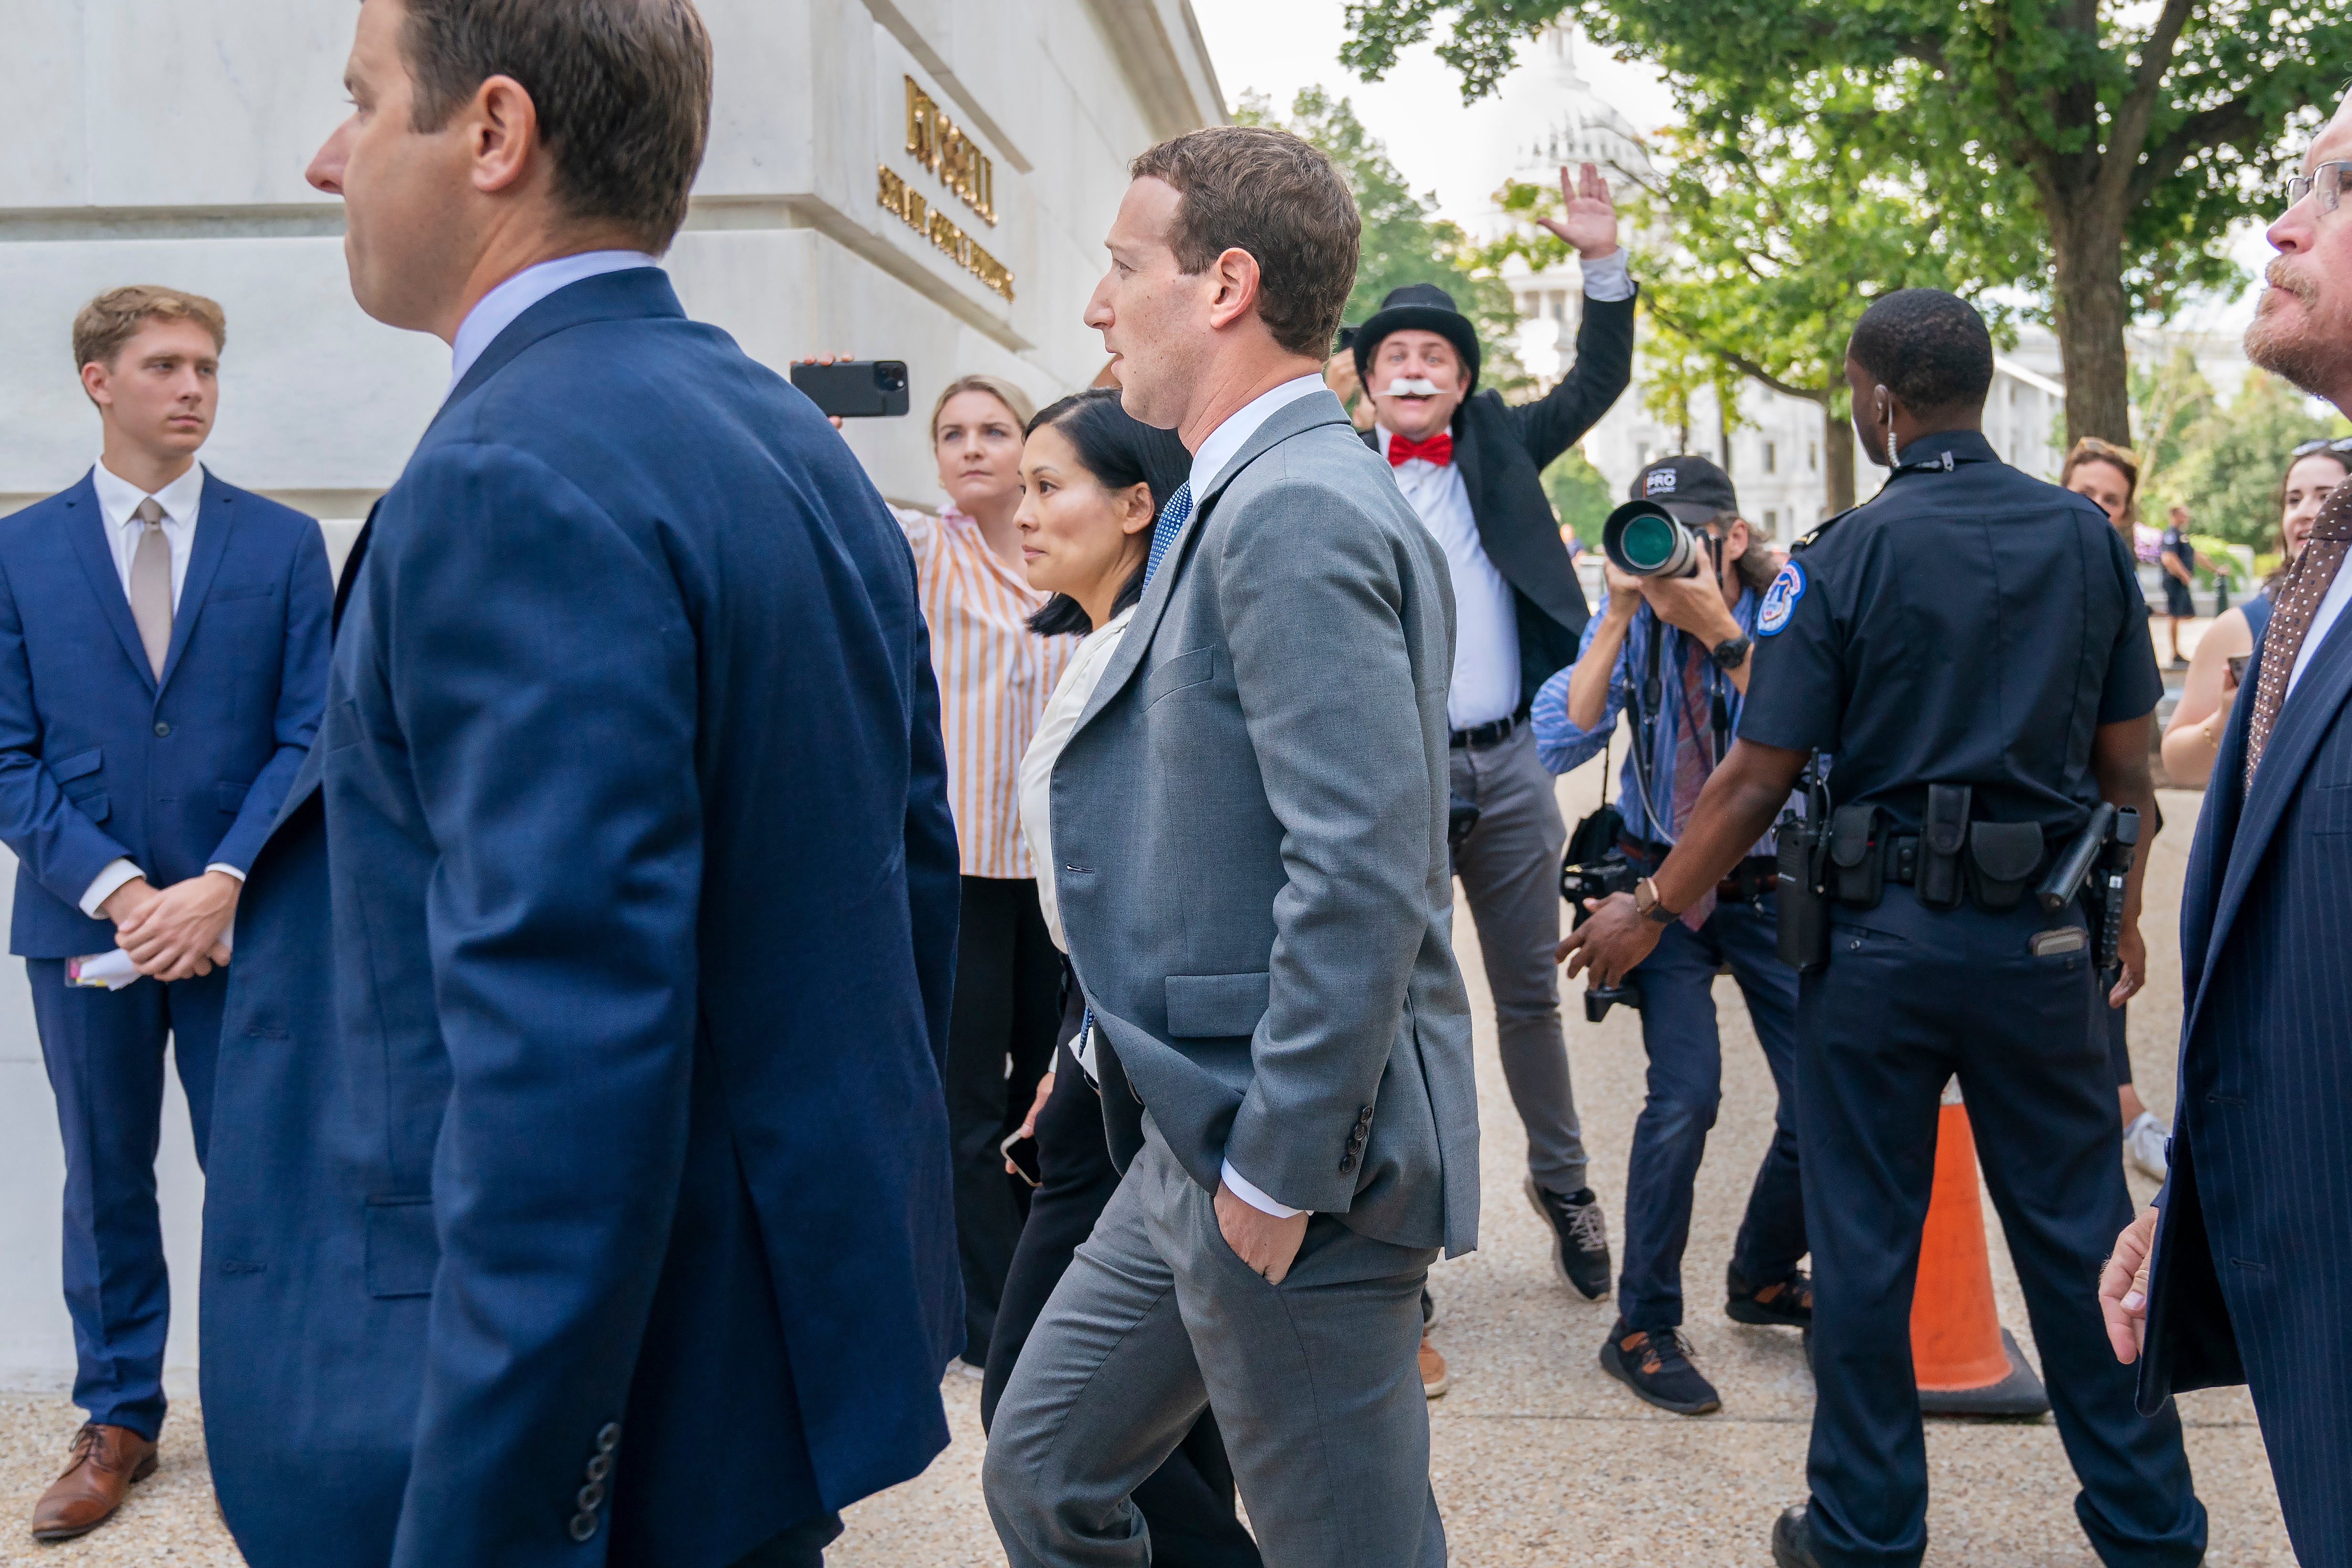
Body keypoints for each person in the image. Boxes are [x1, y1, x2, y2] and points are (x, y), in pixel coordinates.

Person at [203, 4, 965, 1566]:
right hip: (758, 1374)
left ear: (493, 136)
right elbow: (906, 893)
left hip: (621, 1437)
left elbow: (558, 1071)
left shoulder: (511, 472)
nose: (326, 157)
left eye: (363, 105)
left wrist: (491, 1517)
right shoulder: (785, 433)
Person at [1564, 289, 2205, 1568]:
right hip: (2037, 944)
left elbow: (1751, 777)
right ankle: (2147, 1527)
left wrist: (1647, 902)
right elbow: (2126, 766)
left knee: (1861, 1242)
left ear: (1876, 400)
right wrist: (2120, 918)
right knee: (2082, 1236)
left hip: (1879, 946)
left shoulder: (1838, 555)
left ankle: (1861, 1531)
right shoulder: (2080, 541)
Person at [983, 125, 1476, 1568]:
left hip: (1288, 1162)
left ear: (1223, 288)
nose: (1094, 305)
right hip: (1194, 1142)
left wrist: (1276, 1167)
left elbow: (1363, 869)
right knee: (1046, 1469)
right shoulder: (1246, 495)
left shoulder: (1295, 507)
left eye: (1122, 267)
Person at [0, 286, 330, 1543]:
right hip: (86, 925)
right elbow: (6, 750)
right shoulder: (18, 554)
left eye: (206, 365)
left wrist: (222, 879)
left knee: (258, 1175)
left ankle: (270, 1409)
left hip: (248, 921)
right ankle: (120, 1416)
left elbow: (312, 734)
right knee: (105, 1175)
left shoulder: (283, 545)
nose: (193, 386)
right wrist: (126, 893)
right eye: (164, 365)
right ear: (99, 381)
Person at [2104, 112, 2352, 1568]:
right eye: (2288, 184)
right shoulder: (2307, 595)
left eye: (2332, 190)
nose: (2279, 226)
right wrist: (2203, 1191)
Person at [1324, 160, 1632, 1308]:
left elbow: (1597, 374)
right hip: (1382, 779)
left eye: (1436, 358)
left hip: (1503, 765)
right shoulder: (1329, 467)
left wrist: (1600, 262)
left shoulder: (1498, 447)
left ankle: (1561, 1186)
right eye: (1394, 356)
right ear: (1363, 381)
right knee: (1391, 1001)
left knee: (1524, 995)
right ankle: (1392, 1227)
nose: (1414, 368)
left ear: (1459, 385)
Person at [978, 388, 1261, 1568]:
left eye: (1051, 486)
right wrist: (1066, 1051)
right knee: (1157, 1433)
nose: (1020, 507)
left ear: (1138, 504)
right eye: (1022, 486)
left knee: (1032, 1421)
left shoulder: (1158, 658)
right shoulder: (1102, 646)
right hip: (1097, 1063)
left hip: (1157, 1090)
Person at [1532, 455, 1810, 1417]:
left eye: (1686, 530)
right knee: (1684, 1099)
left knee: (1824, 1096)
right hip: (1661, 889)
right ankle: (1641, 1324)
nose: (1667, 549)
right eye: (1651, 529)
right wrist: (1616, 614)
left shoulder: (1780, 608)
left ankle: (1765, 1275)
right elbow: (1564, 734)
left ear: (1730, 535)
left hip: (1772, 887)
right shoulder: (1636, 617)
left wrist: (1723, 633)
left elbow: (1819, 730)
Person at [896, 371, 1074, 1379]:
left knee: (1049, 1096)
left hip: (1057, 877)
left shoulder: (1070, 553)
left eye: (993, 430)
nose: (970, 448)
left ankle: (1045, 1282)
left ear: (1030, 446)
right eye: (951, 433)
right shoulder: (927, 549)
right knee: (964, 1101)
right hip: (959, 872)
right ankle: (994, 1319)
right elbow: (836, 523)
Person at [2057, 436, 2169, 1180]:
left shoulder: (2118, 588)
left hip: (2098, 819)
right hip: (2028, 826)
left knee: (2106, 957)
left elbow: (2135, 757)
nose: (2095, 507)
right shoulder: (2020, 569)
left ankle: (2122, 1109)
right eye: (2085, 491)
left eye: (2111, 500)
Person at [2160, 438, 2351, 787]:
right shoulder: (2242, 627)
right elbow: (2177, 765)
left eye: (2327, 496)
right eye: (2293, 500)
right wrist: (2225, 720)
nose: (2305, 511)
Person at [2159, 504, 2199, 666]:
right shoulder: (2171, 534)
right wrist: (2183, 575)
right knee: (2175, 615)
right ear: (2175, 515)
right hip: (2174, 581)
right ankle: (2175, 653)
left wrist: (2216, 568)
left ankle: (2159, 613)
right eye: (2184, 515)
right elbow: (2168, 558)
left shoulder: (2182, 535)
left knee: (2187, 614)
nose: (2187, 518)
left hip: (2181, 582)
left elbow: (2195, 555)